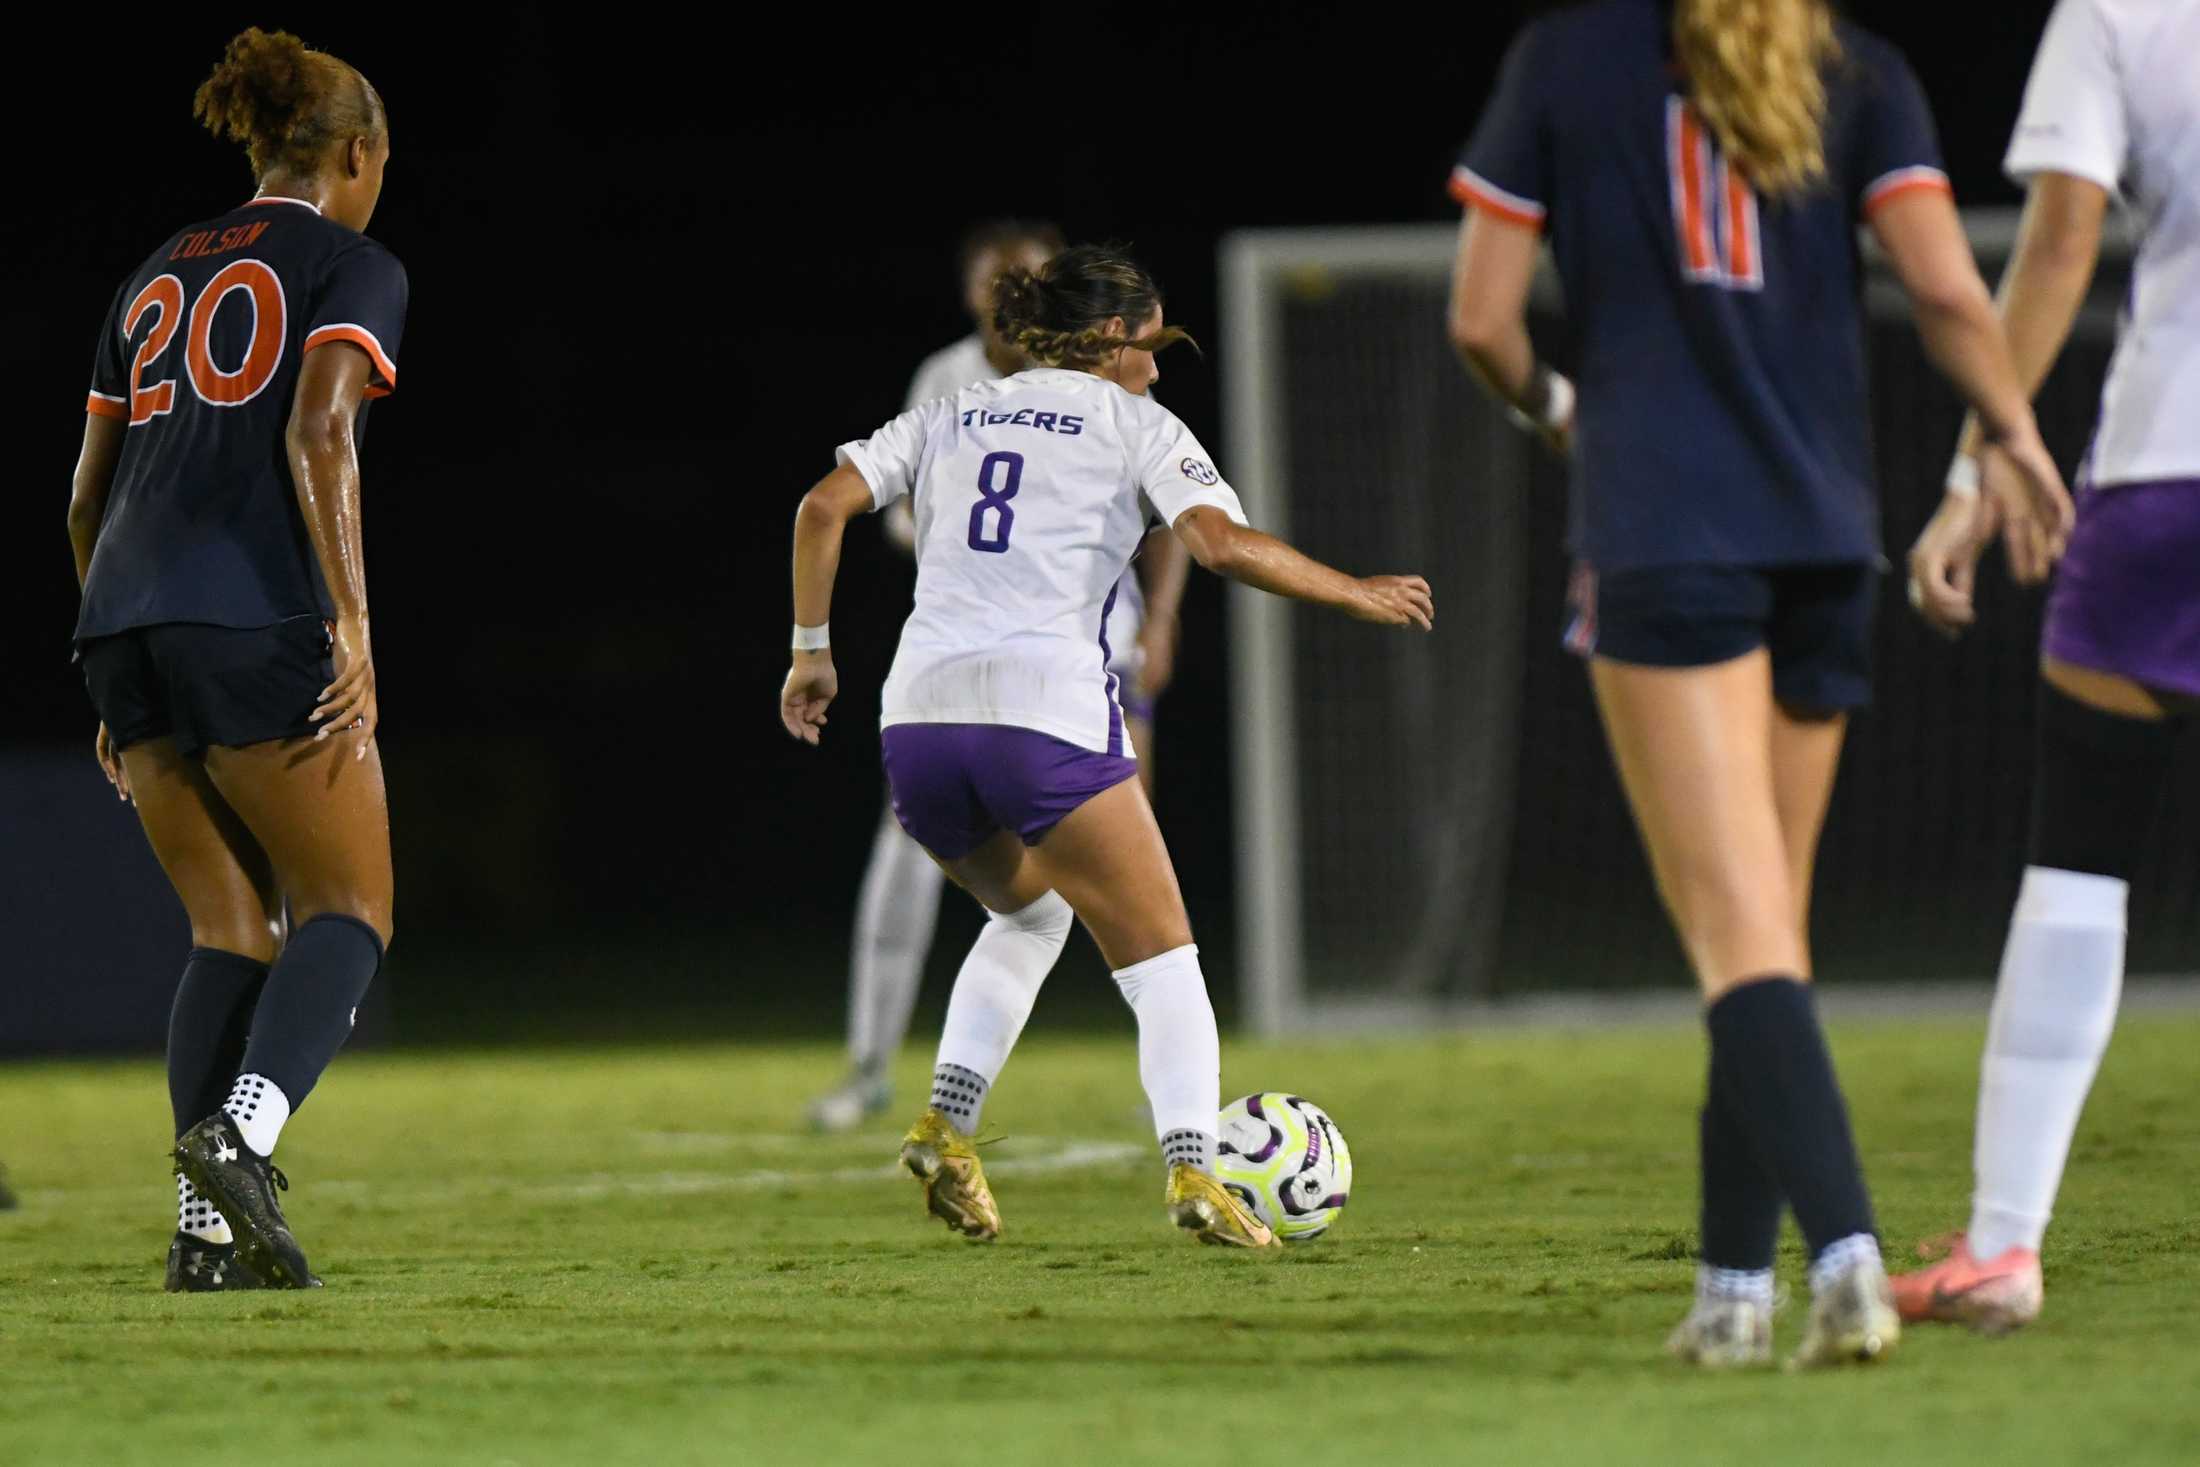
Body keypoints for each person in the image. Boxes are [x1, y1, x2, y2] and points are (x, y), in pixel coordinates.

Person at [1447, 0, 2070, 1367]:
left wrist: (1568, 417)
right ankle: (1733, 1290)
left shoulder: (1567, 57)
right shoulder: (1863, 66)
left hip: (1666, 535)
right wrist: (2014, 435)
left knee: (1736, 940)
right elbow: (1954, 291)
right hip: (1823, 536)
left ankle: (1842, 1254)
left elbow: (1483, 319)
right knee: (1770, 932)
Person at [781, 245, 1432, 1246]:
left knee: (1033, 914)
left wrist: (811, 655)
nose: (1161, 368)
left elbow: (821, 506)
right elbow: (1219, 544)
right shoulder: (1136, 424)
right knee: (1164, 957)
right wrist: (1353, 590)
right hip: (1042, 719)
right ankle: (1192, 1173)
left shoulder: (953, 409)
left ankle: (945, 1125)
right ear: (1114, 339)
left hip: (916, 725)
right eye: (1155, 344)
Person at [68, 27, 407, 1291]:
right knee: (350, 912)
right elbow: (322, 432)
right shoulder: (351, 261)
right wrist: (351, 623)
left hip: (122, 622)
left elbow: (81, 501)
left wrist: (117, 649)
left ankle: (203, 1237)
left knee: (229, 925)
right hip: (253, 612)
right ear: (357, 152)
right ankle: (242, 1138)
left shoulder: (152, 271)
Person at [1898, 0, 2200, 1335]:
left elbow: (2064, 237)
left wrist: (1978, 467)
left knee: (2080, 851)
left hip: (2163, 472)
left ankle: (2005, 1241)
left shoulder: (2116, 13)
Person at [808, 222, 1191, 1132]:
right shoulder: (954, 386)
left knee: (1096, 892)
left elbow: (1178, 517)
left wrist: (1165, 619)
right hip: (996, 667)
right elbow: (875, 509)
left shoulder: (1110, 398)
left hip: (1061, 662)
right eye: (995, 280)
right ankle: (872, 1067)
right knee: (962, 881)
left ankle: (1132, 1094)